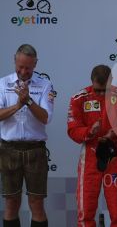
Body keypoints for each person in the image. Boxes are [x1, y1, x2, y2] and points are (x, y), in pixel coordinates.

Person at [67, 64, 117, 227]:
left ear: (111, 82)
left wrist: (114, 134)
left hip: (113, 157)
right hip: (90, 158)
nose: (100, 94)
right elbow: (72, 129)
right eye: (97, 90)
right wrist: (89, 132)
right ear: (91, 82)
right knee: (85, 211)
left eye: (104, 90)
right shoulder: (79, 98)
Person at [0, 44, 54, 227]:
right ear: (15, 61)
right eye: (20, 67)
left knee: (36, 204)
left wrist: (28, 101)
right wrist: (17, 105)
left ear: (35, 64)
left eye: (28, 68)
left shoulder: (45, 85)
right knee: (11, 203)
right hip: (8, 151)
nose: (24, 71)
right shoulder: (2, 83)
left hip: (35, 151)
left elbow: (45, 118)